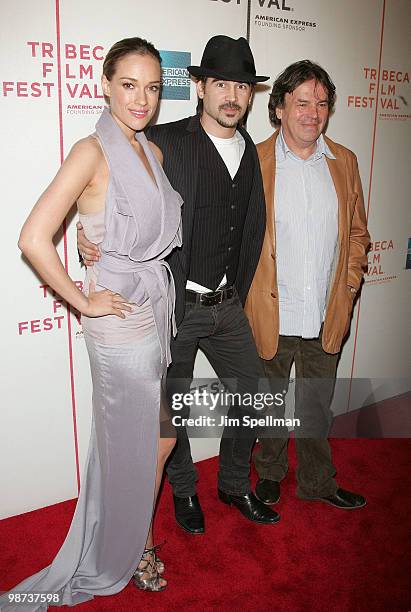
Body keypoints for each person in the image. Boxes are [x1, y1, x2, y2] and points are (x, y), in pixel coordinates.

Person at [0, 37, 182, 611]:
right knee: (137, 446)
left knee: (153, 441)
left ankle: (129, 535)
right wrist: (83, 300)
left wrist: (92, 242)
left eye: (152, 87)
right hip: (120, 329)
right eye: (129, 85)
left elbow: (126, 229)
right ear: (105, 85)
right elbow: (33, 238)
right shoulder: (91, 150)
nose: (142, 98)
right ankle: (133, 548)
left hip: (153, 313)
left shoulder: (151, 152)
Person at [78, 35, 280, 532]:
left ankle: (234, 485)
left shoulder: (251, 151)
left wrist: (239, 291)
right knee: (174, 407)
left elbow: (251, 227)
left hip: (226, 303)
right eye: (220, 84)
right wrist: (88, 232)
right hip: (174, 304)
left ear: (250, 95)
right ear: (200, 88)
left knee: (252, 392)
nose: (231, 95)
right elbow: (107, 183)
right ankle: (184, 491)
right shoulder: (162, 141)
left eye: (241, 86)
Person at [245, 60, 370, 509]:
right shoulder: (253, 160)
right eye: (301, 102)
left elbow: (358, 234)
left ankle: (318, 482)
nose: (312, 113)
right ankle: (271, 474)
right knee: (272, 406)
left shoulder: (345, 162)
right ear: (279, 108)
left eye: (320, 103)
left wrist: (349, 284)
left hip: (325, 309)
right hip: (271, 310)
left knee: (317, 406)